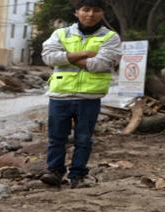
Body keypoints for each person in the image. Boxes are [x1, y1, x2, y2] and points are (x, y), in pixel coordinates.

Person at [39, 2, 121, 187]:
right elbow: (48, 57)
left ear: (102, 13)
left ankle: (77, 174)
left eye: (96, 10)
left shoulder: (110, 37)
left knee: (83, 139)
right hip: (60, 94)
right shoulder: (61, 33)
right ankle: (54, 171)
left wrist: (66, 57)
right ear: (77, 12)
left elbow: (101, 64)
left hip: (89, 96)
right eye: (86, 10)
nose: (90, 14)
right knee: (56, 138)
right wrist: (84, 54)